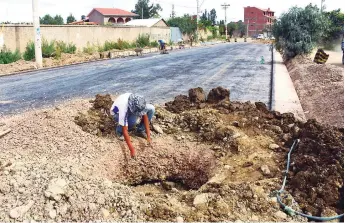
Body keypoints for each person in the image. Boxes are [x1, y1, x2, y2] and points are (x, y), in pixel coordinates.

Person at [110, 93, 155, 158]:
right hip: (116, 113)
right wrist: (132, 150)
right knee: (133, 121)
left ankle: (140, 130)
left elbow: (145, 116)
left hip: (130, 107)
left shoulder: (138, 100)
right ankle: (119, 132)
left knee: (151, 109)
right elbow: (125, 130)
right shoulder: (123, 108)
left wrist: (148, 137)